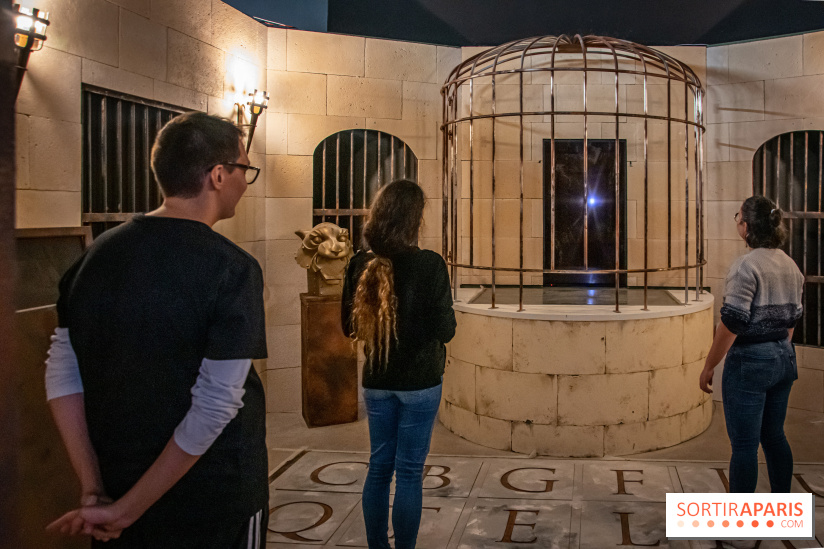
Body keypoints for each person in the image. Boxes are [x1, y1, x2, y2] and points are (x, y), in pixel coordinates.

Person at [45, 112, 268, 548]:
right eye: (245, 169)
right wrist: (126, 510)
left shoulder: (95, 256)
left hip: (118, 482)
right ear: (218, 175)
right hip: (212, 494)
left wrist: (94, 488)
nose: (245, 182)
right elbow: (216, 403)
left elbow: (63, 374)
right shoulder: (231, 268)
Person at [341, 179, 456, 549]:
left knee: (378, 468)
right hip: (420, 383)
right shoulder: (429, 265)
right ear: (414, 220)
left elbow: (348, 326)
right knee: (408, 472)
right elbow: (446, 330)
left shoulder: (360, 263)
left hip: (377, 381)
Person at [699, 196, 804, 546]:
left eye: (738, 217)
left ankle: (741, 532)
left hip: (750, 363)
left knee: (744, 446)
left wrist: (709, 364)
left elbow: (732, 322)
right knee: (774, 437)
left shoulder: (746, 266)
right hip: (784, 358)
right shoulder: (791, 265)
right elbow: (792, 320)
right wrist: (778, 350)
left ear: (747, 226)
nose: (737, 222)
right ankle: (782, 516)